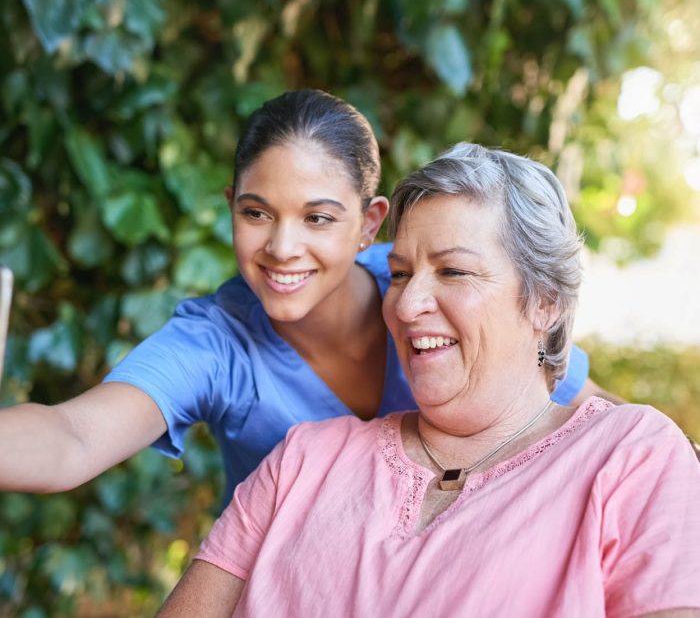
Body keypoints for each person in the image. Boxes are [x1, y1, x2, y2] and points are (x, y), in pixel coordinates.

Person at [158, 144, 700, 617]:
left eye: (453, 271)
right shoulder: (302, 460)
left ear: (545, 302)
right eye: (398, 274)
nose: (407, 305)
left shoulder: (631, 457)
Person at [0, 91, 594, 504]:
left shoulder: (427, 300)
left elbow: (580, 410)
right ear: (232, 204)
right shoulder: (216, 342)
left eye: (318, 218)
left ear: (369, 223)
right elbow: (71, 438)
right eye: (256, 212)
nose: (282, 247)